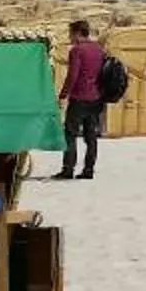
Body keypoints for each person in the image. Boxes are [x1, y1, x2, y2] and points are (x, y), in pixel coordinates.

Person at [58, 19, 107, 180]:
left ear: (78, 33)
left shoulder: (77, 51)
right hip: (95, 97)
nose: (69, 37)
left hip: (79, 97)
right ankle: (89, 169)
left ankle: (68, 169)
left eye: (70, 33)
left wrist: (63, 94)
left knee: (70, 133)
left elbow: (73, 75)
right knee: (91, 136)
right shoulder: (98, 49)